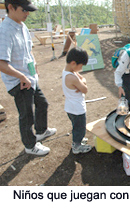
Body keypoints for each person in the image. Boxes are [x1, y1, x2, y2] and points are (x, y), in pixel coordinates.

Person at [0, 0, 56, 156]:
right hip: (19, 82)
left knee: (42, 104)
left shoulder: (22, 26)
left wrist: (34, 65)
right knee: (26, 115)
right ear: (10, 7)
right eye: (24, 10)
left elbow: (28, 51)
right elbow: (1, 63)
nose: (27, 14)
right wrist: (21, 76)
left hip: (29, 77)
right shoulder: (4, 31)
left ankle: (41, 131)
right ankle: (30, 146)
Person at [62, 47, 92, 154]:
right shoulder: (72, 77)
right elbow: (85, 89)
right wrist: (83, 81)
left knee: (76, 126)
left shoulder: (68, 71)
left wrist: (81, 80)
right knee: (80, 127)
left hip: (70, 107)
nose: (81, 69)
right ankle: (77, 145)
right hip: (77, 108)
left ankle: (78, 139)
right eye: (81, 66)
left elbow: (81, 79)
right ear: (74, 63)